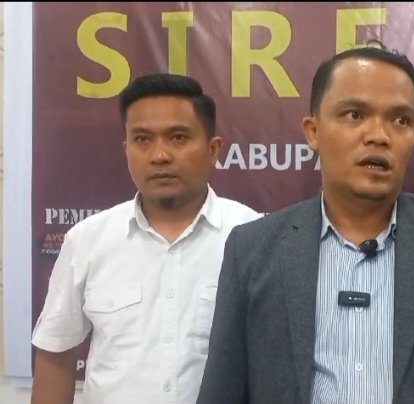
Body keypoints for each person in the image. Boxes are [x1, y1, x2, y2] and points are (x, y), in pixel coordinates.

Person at [196, 43, 414, 404]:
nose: (379, 135)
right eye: (355, 114)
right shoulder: (252, 250)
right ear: (313, 131)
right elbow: (222, 394)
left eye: (400, 120)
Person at [30, 73, 263, 404]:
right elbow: (56, 355)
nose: (159, 155)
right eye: (142, 139)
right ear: (127, 149)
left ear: (213, 149)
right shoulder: (87, 241)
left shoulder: (255, 237)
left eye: (178, 137)